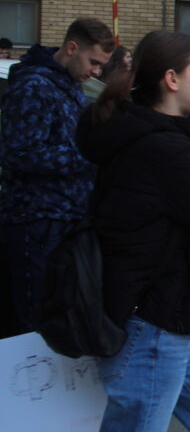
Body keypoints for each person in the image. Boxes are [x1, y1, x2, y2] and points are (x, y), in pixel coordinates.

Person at [76, 30, 190, 430]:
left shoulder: (153, 133)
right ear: (172, 80)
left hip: (171, 315)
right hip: (153, 328)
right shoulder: (163, 149)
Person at [0, 17, 114, 332]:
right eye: (93, 62)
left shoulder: (70, 85)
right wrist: (90, 154)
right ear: (71, 47)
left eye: (102, 65)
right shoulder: (33, 86)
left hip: (65, 218)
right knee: (35, 318)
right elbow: (21, 155)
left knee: (58, 314)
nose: (96, 72)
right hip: (35, 221)